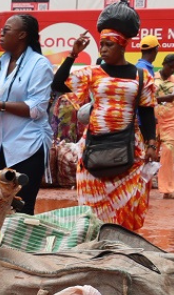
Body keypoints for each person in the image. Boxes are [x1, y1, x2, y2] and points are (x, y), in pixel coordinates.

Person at [53, 15, 159, 230]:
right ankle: (96, 248)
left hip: (130, 148)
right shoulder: (92, 73)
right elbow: (58, 83)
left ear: (122, 46)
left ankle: (121, 248)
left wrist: (151, 144)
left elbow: (147, 112)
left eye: (109, 45)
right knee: (92, 208)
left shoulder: (141, 76)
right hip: (94, 146)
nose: (103, 49)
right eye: (101, 44)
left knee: (127, 204)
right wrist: (73, 54)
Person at [0, 14, 54, 215]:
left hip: (26, 147)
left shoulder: (39, 65)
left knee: (21, 210)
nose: (1, 33)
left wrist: (0, 105)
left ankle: (18, 247)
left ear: (22, 35)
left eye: (7, 30)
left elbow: (37, 108)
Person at [154, 54, 174, 199]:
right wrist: (164, 98)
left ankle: (167, 189)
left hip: (171, 120)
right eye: (170, 66)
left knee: (167, 153)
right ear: (163, 63)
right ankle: (141, 188)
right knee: (149, 154)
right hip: (153, 121)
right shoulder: (152, 79)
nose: (172, 70)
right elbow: (146, 100)